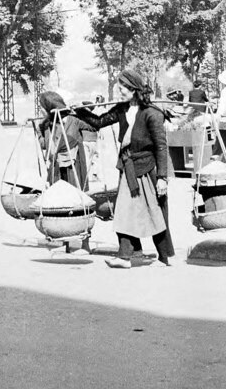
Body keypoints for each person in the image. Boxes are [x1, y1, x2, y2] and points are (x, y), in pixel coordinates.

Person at [74, 67, 174, 269]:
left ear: (134, 89)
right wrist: (80, 111)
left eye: (123, 89)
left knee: (154, 212)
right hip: (128, 166)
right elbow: (98, 122)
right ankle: (125, 255)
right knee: (124, 210)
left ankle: (163, 257)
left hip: (147, 169)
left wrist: (162, 178)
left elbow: (161, 147)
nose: (120, 92)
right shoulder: (121, 109)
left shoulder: (152, 114)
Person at [37, 91, 90, 190]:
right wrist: (39, 131)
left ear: (50, 107)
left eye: (42, 107)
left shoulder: (73, 120)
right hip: (56, 170)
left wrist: (80, 111)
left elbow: (93, 126)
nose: (40, 110)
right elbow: (45, 146)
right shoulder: (47, 125)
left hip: (73, 167)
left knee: (74, 194)